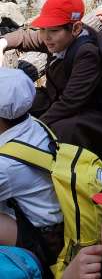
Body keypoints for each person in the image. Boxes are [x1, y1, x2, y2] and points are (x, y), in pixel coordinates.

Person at [0, 0, 102, 169]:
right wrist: (3, 42)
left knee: (58, 131)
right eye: (42, 29)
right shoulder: (59, 39)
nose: (45, 37)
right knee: (13, 105)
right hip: (58, 100)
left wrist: (33, 127)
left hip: (90, 114)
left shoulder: (87, 53)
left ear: (76, 28)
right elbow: (25, 37)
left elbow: (70, 103)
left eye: (53, 31)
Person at [0, 68, 64, 269]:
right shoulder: (32, 123)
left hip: (45, 241)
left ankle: (27, 265)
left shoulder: (6, 165)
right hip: (53, 221)